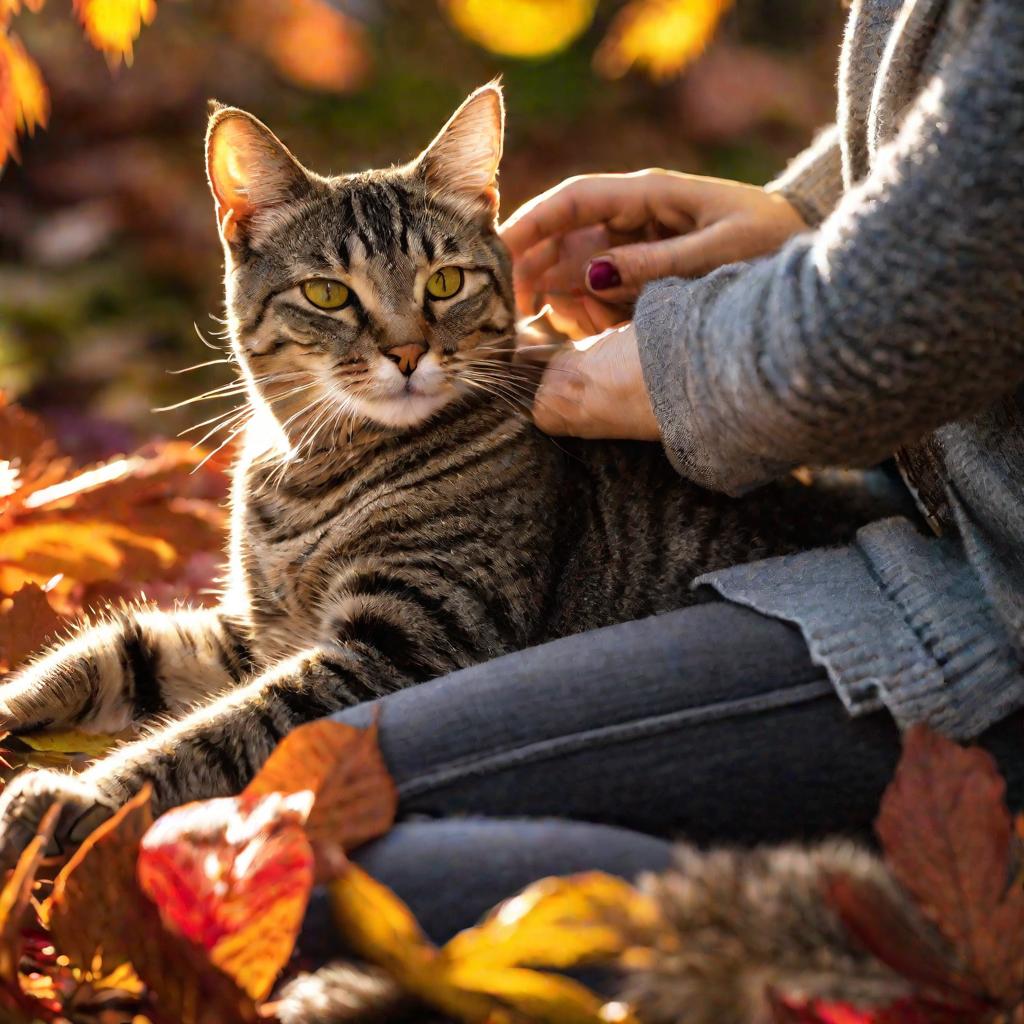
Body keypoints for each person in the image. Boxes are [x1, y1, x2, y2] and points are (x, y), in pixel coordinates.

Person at [299, 0, 1024, 960]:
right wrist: (808, 221)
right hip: (940, 526)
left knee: (291, 858)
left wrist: (686, 368)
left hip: (991, 612)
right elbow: (969, 156)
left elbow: (930, 304)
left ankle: (879, 969)